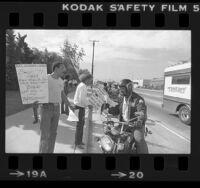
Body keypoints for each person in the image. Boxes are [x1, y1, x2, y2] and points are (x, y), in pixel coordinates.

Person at [39, 62, 74, 153]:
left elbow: (62, 95)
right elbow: (37, 90)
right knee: (45, 135)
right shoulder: (45, 78)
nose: (64, 70)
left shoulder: (61, 81)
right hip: (46, 108)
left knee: (53, 134)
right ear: (56, 68)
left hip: (56, 108)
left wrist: (70, 106)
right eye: (62, 68)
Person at [109, 79, 149, 153]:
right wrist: (108, 109)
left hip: (135, 125)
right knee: (111, 134)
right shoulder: (121, 98)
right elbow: (117, 109)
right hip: (123, 124)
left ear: (129, 88)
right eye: (120, 88)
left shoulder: (138, 99)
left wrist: (140, 120)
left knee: (139, 139)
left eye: (122, 88)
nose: (120, 90)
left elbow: (141, 110)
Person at [73, 73, 93, 149]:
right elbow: (82, 99)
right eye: (90, 80)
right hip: (79, 107)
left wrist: (87, 104)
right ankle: (78, 143)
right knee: (79, 126)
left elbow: (82, 98)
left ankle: (79, 141)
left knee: (80, 125)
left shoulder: (82, 85)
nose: (90, 82)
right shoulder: (83, 86)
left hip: (79, 107)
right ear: (86, 79)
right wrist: (88, 104)